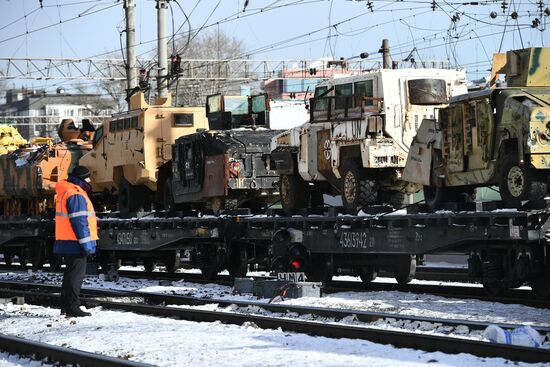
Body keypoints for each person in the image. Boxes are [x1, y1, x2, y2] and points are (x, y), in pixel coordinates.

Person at [54, 165, 98, 317]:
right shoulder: (76, 194)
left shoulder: (66, 191)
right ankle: (73, 307)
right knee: (75, 276)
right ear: (82, 179)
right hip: (76, 242)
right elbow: (79, 222)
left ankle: (66, 306)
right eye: (88, 177)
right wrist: (86, 245)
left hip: (67, 240)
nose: (90, 180)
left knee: (69, 275)